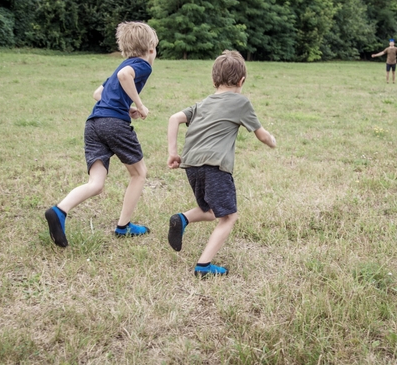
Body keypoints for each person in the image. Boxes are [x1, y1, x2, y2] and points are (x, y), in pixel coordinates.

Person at [45, 22, 157, 247]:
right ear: (151, 48)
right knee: (139, 174)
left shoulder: (121, 66)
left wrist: (126, 108)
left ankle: (60, 210)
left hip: (94, 124)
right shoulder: (142, 64)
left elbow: (99, 93)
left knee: (96, 183)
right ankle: (123, 227)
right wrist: (140, 105)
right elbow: (126, 76)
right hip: (113, 124)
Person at [166, 50, 277, 278]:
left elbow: (174, 118)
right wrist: (273, 142)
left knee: (211, 210)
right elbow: (262, 135)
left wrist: (173, 153)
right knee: (228, 217)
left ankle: (182, 219)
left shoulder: (203, 103)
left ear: (214, 80)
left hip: (192, 165)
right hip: (215, 166)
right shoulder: (241, 102)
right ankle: (203, 266)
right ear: (241, 80)